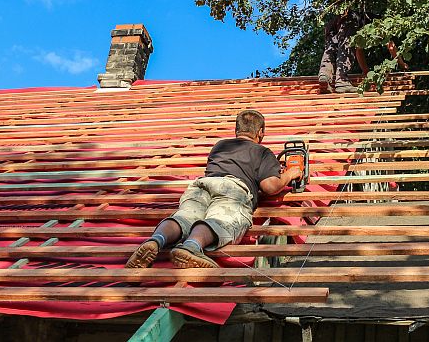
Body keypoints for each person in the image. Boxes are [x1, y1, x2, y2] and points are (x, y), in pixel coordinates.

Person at [125, 110, 303, 269]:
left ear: (236, 130)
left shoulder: (219, 146)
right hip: (232, 189)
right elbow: (270, 186)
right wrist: (289, 174)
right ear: (260, 132)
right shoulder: (262, 151)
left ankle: (156, 241)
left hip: (202, 185)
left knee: (184, 217)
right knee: (220, 220)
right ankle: (191, 247)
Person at [318, 11, 409, 93]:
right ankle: (342, 81)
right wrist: (401, 63)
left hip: (332, 23)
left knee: (330, 50)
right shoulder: (379, 24)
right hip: (350, 21)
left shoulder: (366, 21)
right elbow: (390, 45)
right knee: (346, 48)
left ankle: (324, 75)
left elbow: (358, 49)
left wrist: (365, 71)